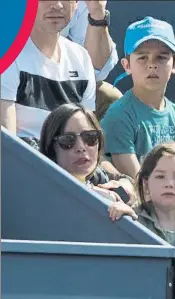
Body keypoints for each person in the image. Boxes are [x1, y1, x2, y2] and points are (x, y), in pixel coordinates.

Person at [0, 1, 114, 149]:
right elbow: (7, 148)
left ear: (76, 4)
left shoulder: (81, 57)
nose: (58, 5)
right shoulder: (8, 54)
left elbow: (86, 139)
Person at [101, 17, 175, 179]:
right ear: (126, 65)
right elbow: (137, 180)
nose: (152, 64)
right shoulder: (118, 115)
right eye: (142, 57)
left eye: (161, 57)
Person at [40, 104, 134, 204]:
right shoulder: (36, 184)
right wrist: (90, 193)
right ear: (51, 148)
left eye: (90, 137)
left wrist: (125, 186)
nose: (81, 147)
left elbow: (126, 180)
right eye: (68, 140)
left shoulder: (98, 176)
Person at [60, 0, 118, 81]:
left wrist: (97, 14)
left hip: (58, 77)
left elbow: (95, 72)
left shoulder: (80, 4)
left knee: (107, 93)